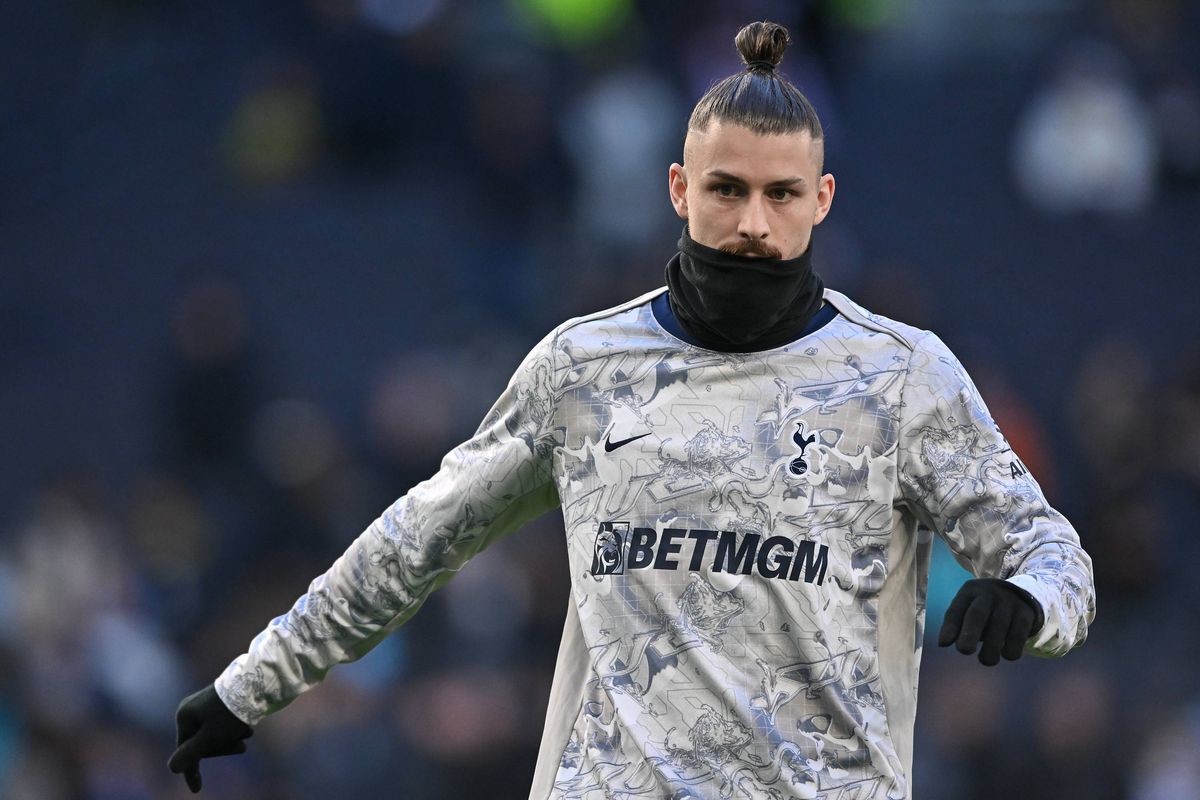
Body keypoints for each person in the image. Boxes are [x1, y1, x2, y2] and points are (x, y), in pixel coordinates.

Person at [169, 21, 1096, 799]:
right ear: (680, 191)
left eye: (780, 196)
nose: (753, 223)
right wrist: (253, 685)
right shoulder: (585, 367)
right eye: (727, 190)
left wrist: (1028, 601)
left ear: (820, 202)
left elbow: (1053, 555)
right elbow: (417, 538)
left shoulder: (900, 377)